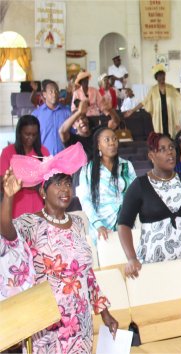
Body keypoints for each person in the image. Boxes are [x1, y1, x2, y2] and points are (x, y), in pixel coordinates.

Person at [0, 143, 119, 351]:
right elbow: (7, 233)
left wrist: (105, 313)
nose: (65, 190)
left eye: (67, 184)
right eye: (58, 184)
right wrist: (8, 196)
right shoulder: (30, 223)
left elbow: (87, 273)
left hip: (81, 319)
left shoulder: (79, 222)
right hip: (47, 321)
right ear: (42, 192)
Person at [117, 133, 181, 276]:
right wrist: (131, 258)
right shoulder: (140, 185)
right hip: (152, 263)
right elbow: (123, 225)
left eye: (171, 147)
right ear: (151, 156)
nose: (170, 152)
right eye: (162, 149)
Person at [78, 127, 136, 242]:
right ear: (98, 145)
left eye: (114, 139)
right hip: (101, 229)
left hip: (126, 225)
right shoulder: (88, 170)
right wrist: (98, 224)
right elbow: (85, 200)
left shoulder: (126, 165)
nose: (112, 143)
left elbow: (136, 194)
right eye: (107, 140)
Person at [0, 115, 50, 218]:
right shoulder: (8, 152)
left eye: (34, 134)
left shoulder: (43, 152)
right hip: (15, 204)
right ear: (19, 132)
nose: (31, 137)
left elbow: (49, 181)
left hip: (38, 204)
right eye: (27, 134)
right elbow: (2, 182)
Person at [124, 64, 181, 137]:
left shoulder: (170, 88)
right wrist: (132, 110)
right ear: (156, 78)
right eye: (159, 76)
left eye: (163, 75)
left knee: (170, 135)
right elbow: (144, 102)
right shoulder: (153, 90)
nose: (162, 77)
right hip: (159, 117)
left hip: (169, 116)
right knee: (160, 136)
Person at [33, 80, 72, 155]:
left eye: (56, 91)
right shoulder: (36, 115)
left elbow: (73, 135)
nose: (54, 94)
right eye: (51, 92)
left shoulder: (67, 113)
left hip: (64, 157)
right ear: (44, 94)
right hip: (45, 158)